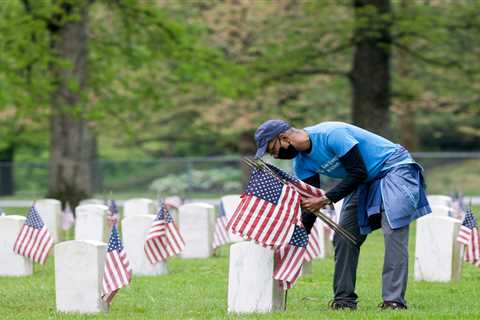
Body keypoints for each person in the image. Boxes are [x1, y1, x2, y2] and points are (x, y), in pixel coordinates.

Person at [254, 119, 431, 311]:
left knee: (393, 230)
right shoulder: (302, 163)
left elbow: (358, 172)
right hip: (363, 181)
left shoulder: (332, 134)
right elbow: (311, 205)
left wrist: (326, 199)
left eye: (273, 149)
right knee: (344, 237)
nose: (275, 155)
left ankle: (393, 301)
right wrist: (298, 236)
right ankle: (344, 301)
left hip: (393, 167)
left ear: (284, 138)